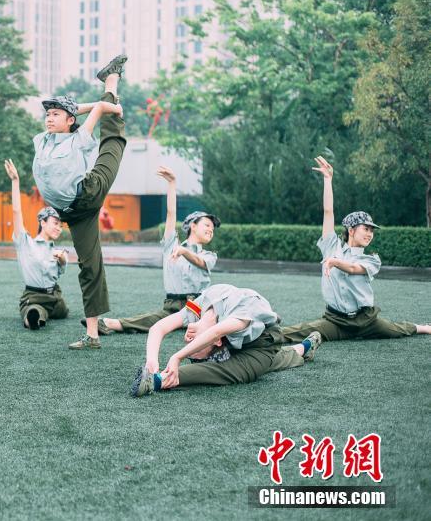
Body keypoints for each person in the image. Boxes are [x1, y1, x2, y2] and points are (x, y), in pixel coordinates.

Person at [32, 54, 128, 349]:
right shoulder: (41, 140)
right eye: (48, 114)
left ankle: (112, 79)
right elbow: (84, 110)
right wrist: (71, 109)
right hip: (70, 213)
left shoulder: (78, 138)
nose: (49, 118)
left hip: (89, 192)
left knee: (112, 142)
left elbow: (99, 109)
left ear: (71, 121)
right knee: (89, 264)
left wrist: (114, 107)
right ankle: (92, 336)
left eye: (56, 114)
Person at [280, 157, 430, 342]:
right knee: (302, 331)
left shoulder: (372, 260)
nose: (370, 234)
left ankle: (422, 327)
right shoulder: (331, 246)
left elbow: (352, 269)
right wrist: (328, 180)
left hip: (366, 321)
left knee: (394, 329)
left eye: (372, 231)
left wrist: (334, 262)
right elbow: (328, 211)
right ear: (351, 230)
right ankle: (266, 337)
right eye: (366, 229)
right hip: (336, 322)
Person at [129, 284, 323, 397]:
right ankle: (303, 348)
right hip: (242, 340)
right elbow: (158, 328)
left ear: (219, 343)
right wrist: (151, 360)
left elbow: (214, 333)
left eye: (194, 354)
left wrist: (176, 358)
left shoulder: (238, 313)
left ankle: (157, 381)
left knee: (228, 370)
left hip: (263, 344)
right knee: (268, 363)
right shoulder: (199, 306)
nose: (189, 348)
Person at [95, 166, 219, 336]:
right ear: (193, 225)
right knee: (157, 319)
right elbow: (170, 214)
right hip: (173, 306)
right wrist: (172, 183)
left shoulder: (208, 255)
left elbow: (200, 262)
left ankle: (114, 324)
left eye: (213, 228)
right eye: (207, 225)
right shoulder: (171, 247)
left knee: (213, 319)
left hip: (199, 306)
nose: (211, 230)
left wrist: (184, 252)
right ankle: (111, 323)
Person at [4, 159, 69, 330]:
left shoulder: (57, 250)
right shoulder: (25, 243)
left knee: (62, 310)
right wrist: (15, 181)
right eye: (55, 223)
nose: (58, 228)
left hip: (55, 297)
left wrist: (62, 258)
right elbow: (16, 211)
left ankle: (43, 313)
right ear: (43, 222)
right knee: (35, 311)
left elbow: (63, 266)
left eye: (60, 225)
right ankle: (32, 318)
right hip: (34, 296)